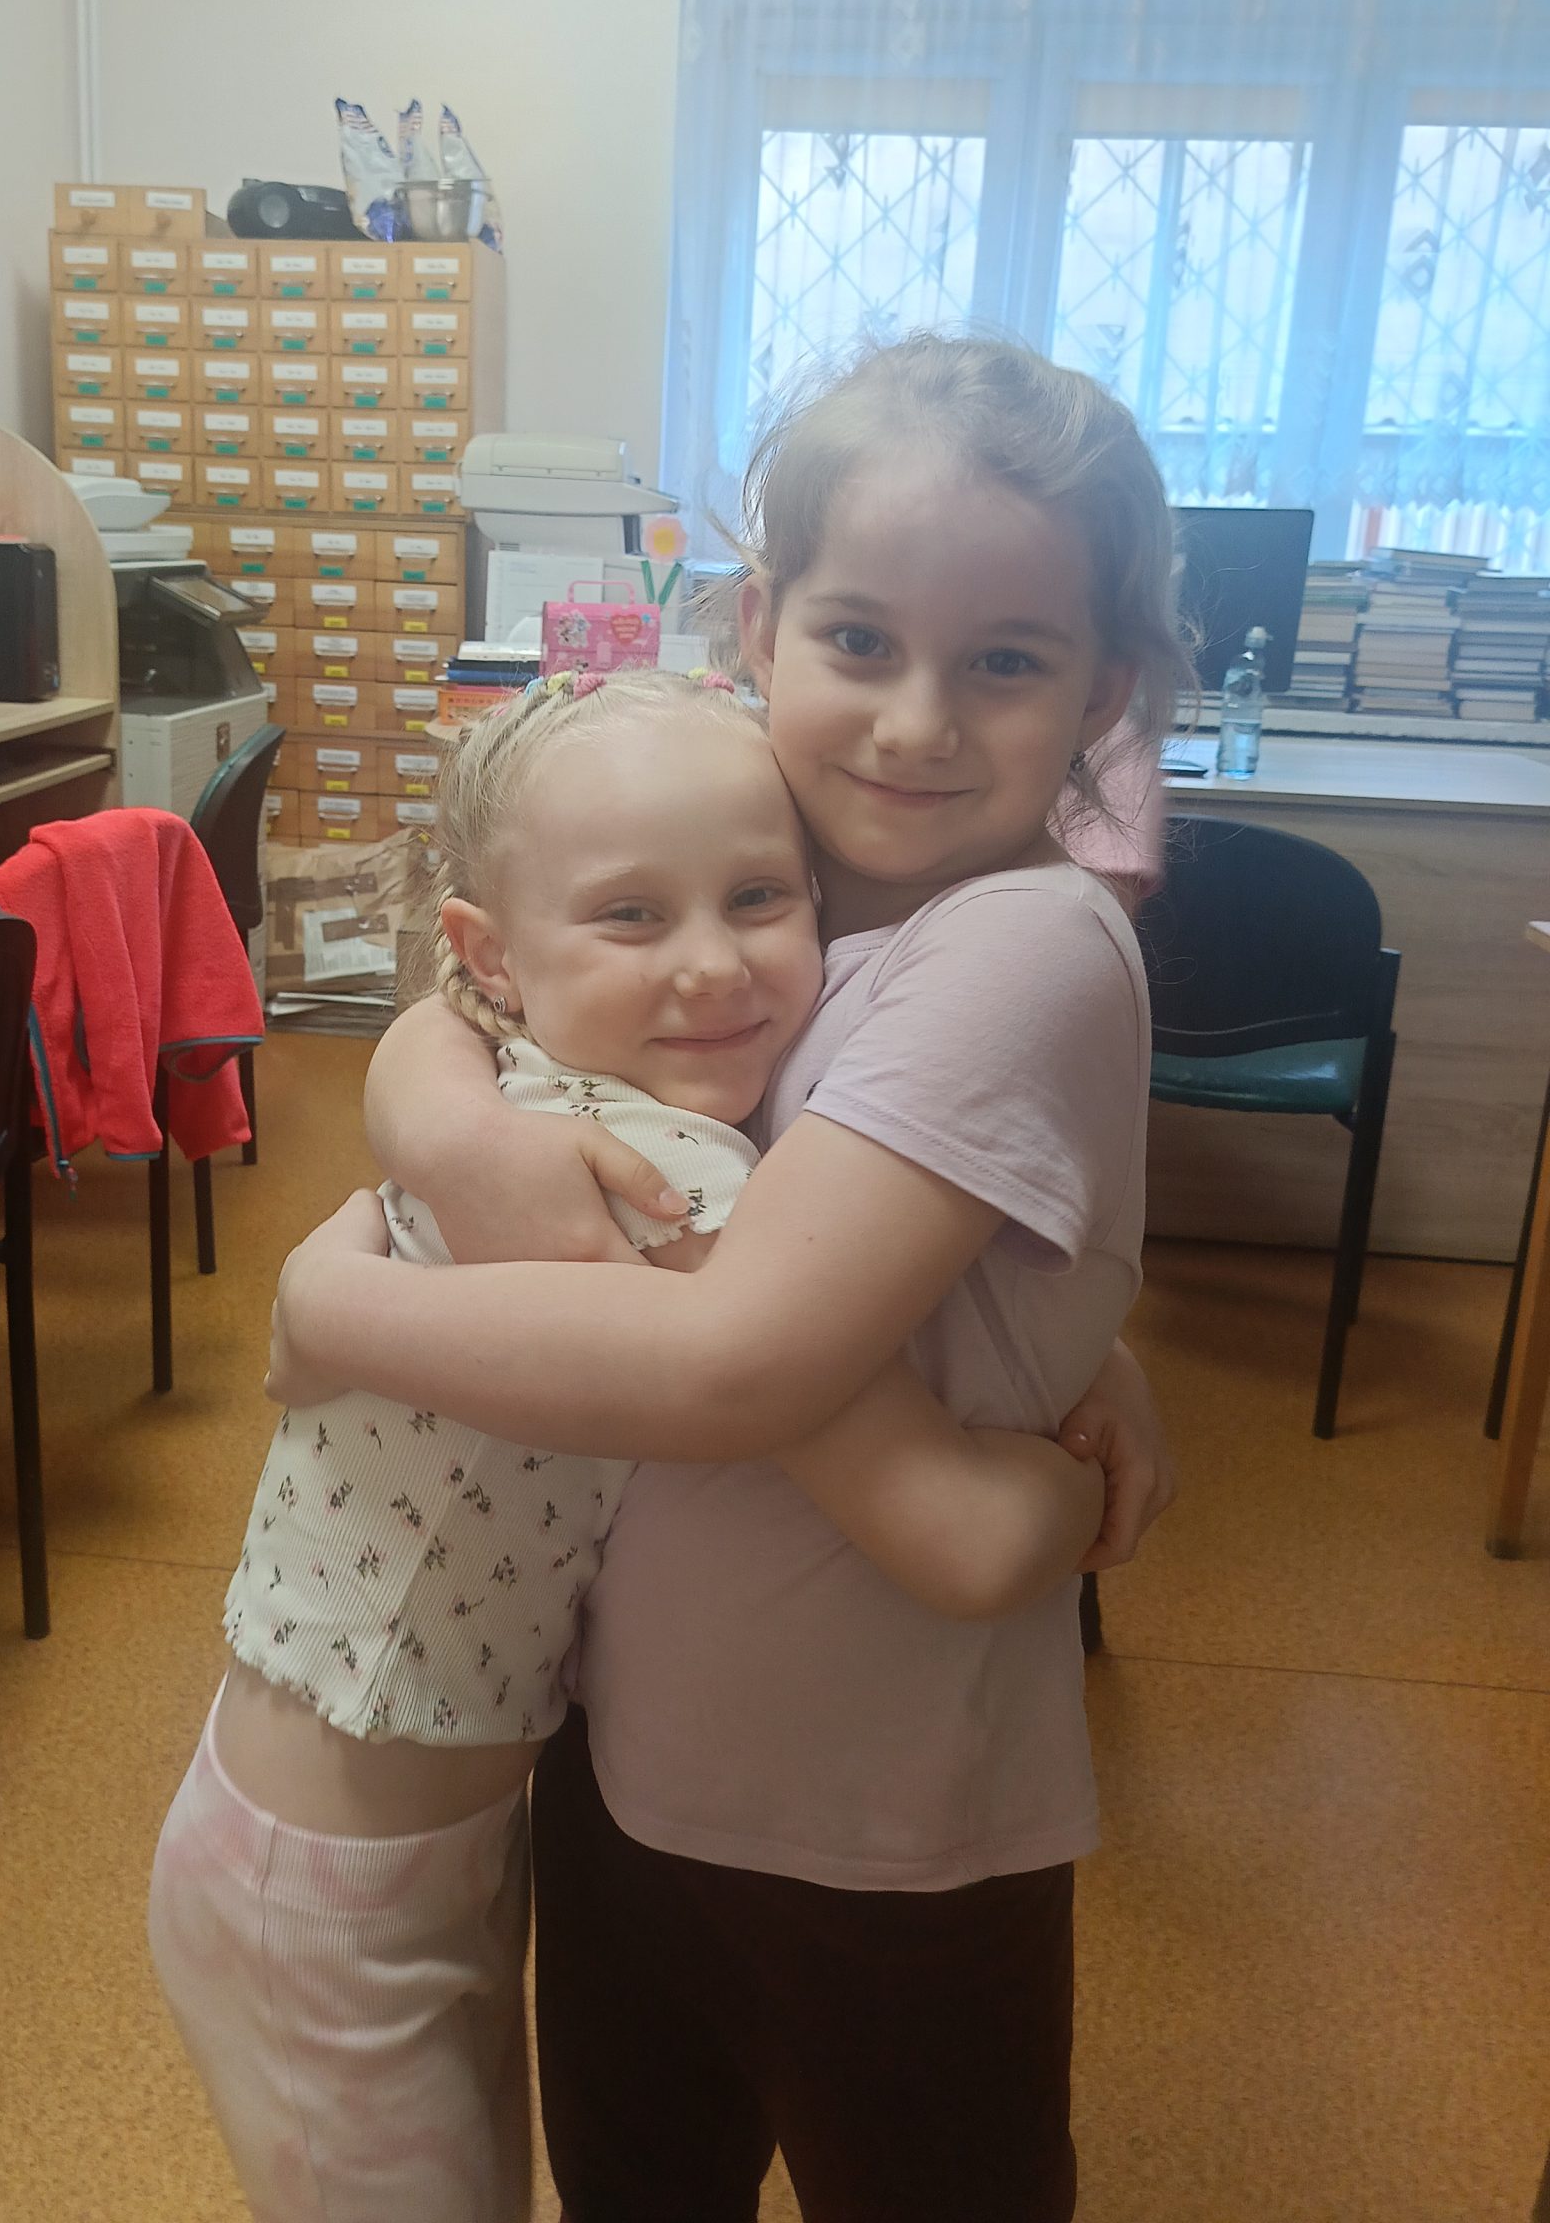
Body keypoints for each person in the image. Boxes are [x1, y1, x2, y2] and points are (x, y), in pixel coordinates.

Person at [271, 333, 1188, 2222]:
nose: (916, 724)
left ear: (1103, 688)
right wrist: (448, 1118)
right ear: (762, 627)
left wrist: (328, 1307)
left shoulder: (1022, 943)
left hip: (889, 1838)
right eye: (860, 640)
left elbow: (737, 1362)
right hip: (626, 1769)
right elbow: (487, 988)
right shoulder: (782, 884)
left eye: (1004, 663)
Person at [149, 664, 1112, 2223]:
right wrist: (1084, 1469)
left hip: (410, 1841)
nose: (715, 966)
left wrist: (1102, 1348)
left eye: (759, 897)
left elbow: (432, 1034)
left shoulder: (534, 1071)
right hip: (324, 1891)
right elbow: (966, 1536)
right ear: (494, 955)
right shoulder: (663, 1178)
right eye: (632, 916)